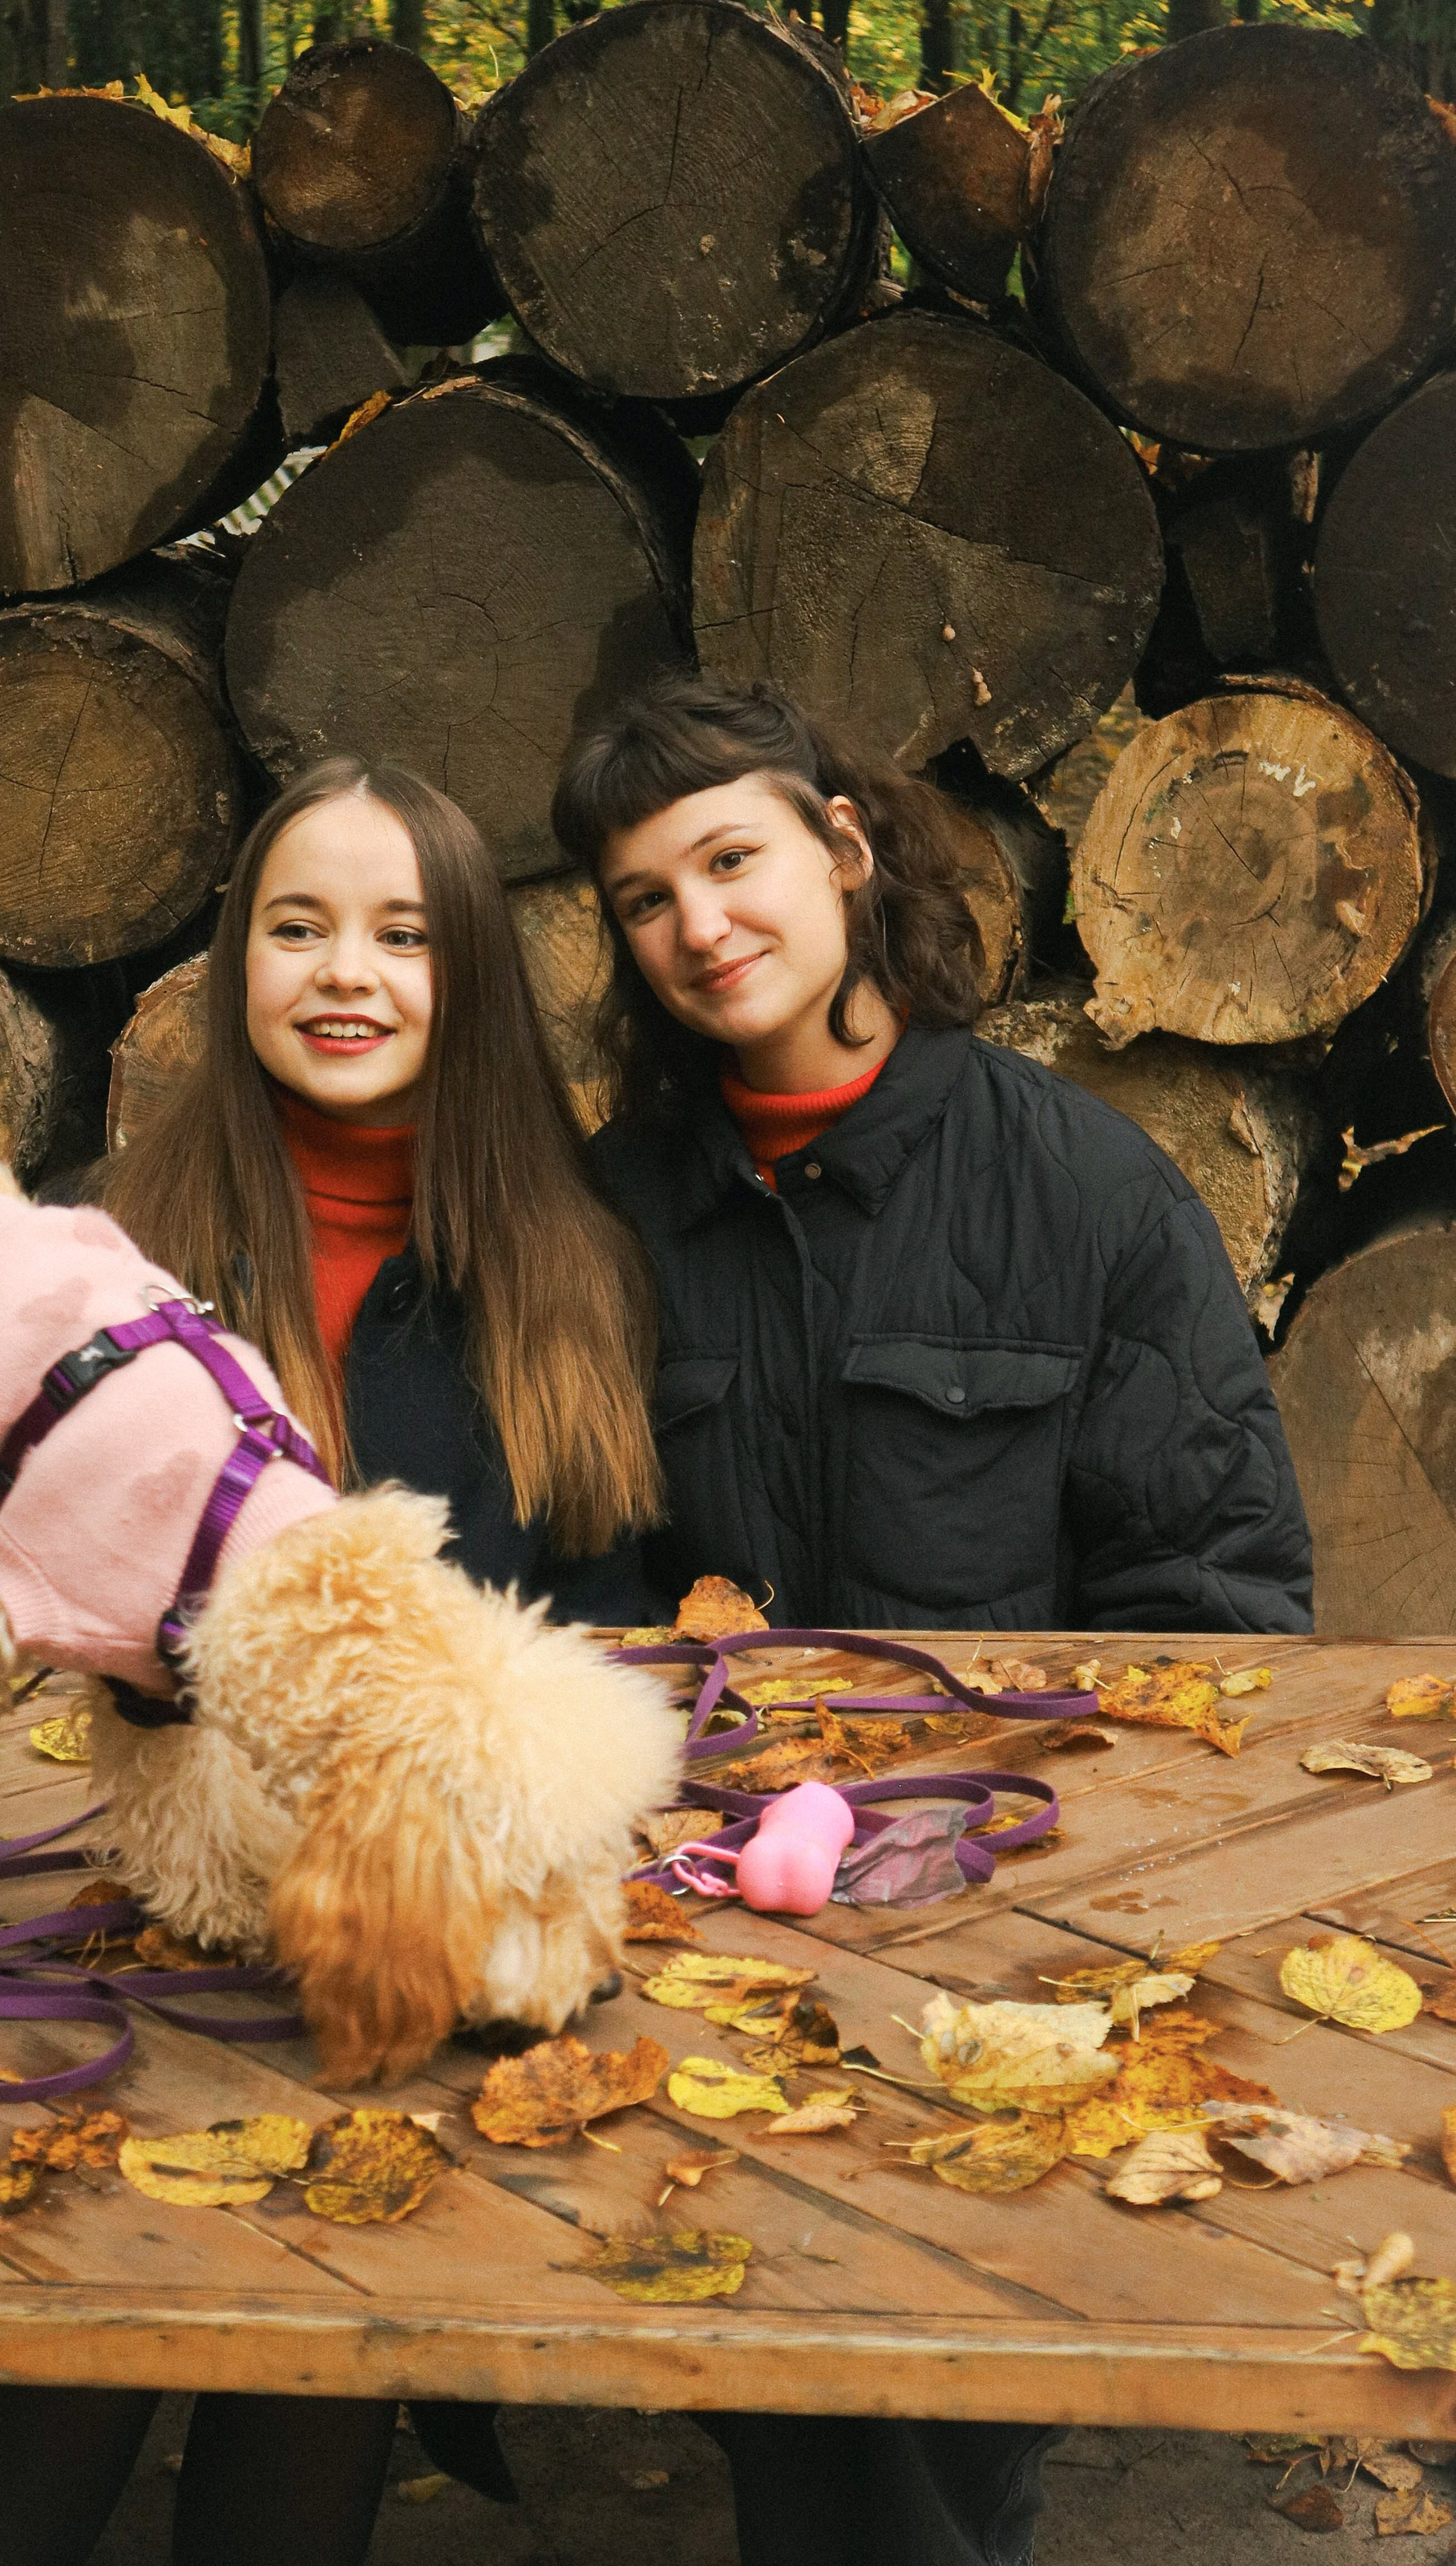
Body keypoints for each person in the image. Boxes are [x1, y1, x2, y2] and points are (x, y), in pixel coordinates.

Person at [0, 755, 663, 2566]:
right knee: (76, 2327)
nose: (345, 970)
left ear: (469, 982)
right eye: (298, 925)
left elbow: (573, 1633)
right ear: (236, 958)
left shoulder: (560, 1275)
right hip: (130, 1910)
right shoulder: (106, 1253)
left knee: (303, 2332)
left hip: (385, 1936)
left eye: (401, 935)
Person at [549, 667, 1313, 2566]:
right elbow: (558, 1568)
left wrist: (1079, 1888)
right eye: (643, 897)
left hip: (1008, 1901)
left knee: (938, 2438)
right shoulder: (609, 1215)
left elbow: (1215, 1597)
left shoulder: (1077, 1188)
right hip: (704, 1905)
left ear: (838, 843)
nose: (696, 924)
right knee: (784, 2402)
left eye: (728, 858)